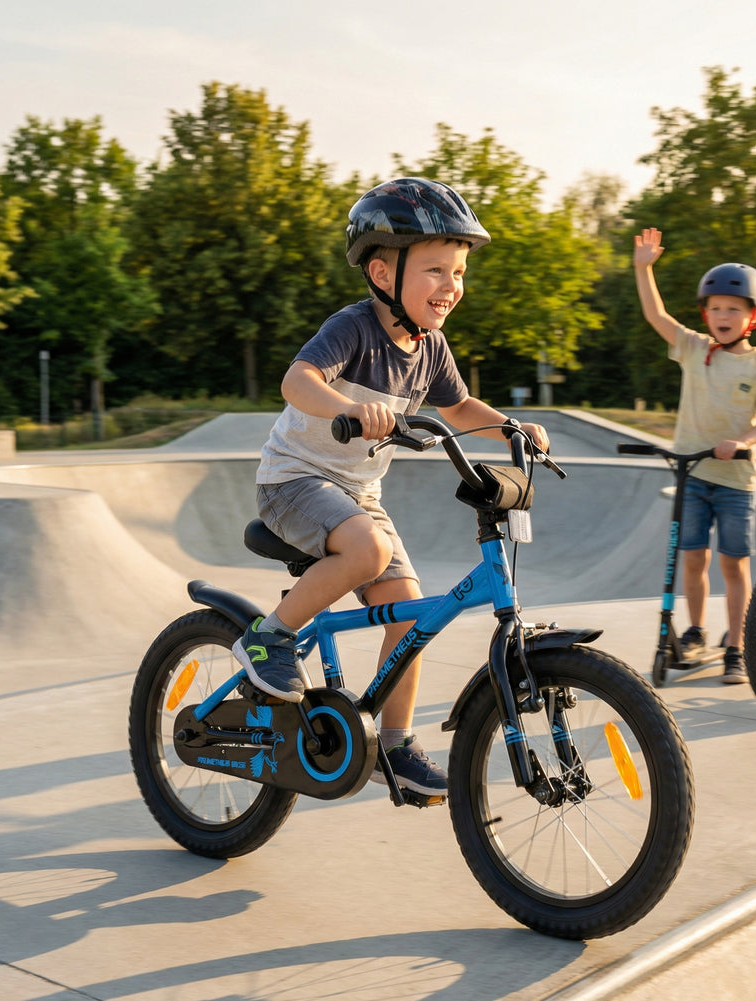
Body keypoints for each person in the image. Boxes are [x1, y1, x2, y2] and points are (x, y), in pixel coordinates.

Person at [232, 177, 550, 799]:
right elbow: (297, 382)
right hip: (294, 480)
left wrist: (510, 428)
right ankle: (266, 638)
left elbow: (458, 409)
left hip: (357, 495)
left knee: (413, 613)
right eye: (435, 270)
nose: (452, 286)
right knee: (368, 552)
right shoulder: (354, 328)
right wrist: (345, 409)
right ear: (382, 273)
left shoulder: (430, 348)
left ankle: (396, 744)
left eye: (458, 272)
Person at [634, 228, 756, 684]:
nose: (722, 316)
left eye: (733, 310)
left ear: (752, 317)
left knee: (733, 563)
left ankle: (736, 646)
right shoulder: (695, 348)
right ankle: (699, 631)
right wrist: (644, 268)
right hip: (694, 474)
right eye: (715, 308)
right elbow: (656, 315)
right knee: (694, 558)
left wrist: (746, 441)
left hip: (737, 480)